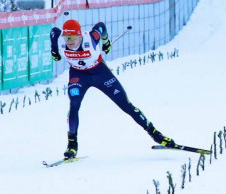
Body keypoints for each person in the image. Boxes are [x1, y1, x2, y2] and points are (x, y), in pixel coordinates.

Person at [50, 19, 176, 159]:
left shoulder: (91, 37)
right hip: (78, 75)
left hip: (99, 73)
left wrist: (105, 42)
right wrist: (54, 51)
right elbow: (54, 32)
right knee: (74, 105)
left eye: (72, 37)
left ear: (79, 35)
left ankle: (156, 134)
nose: (69, 41)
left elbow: (101, 26)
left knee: (126, 105)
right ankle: (72, 144)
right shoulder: (59, 39)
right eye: (67, 37)